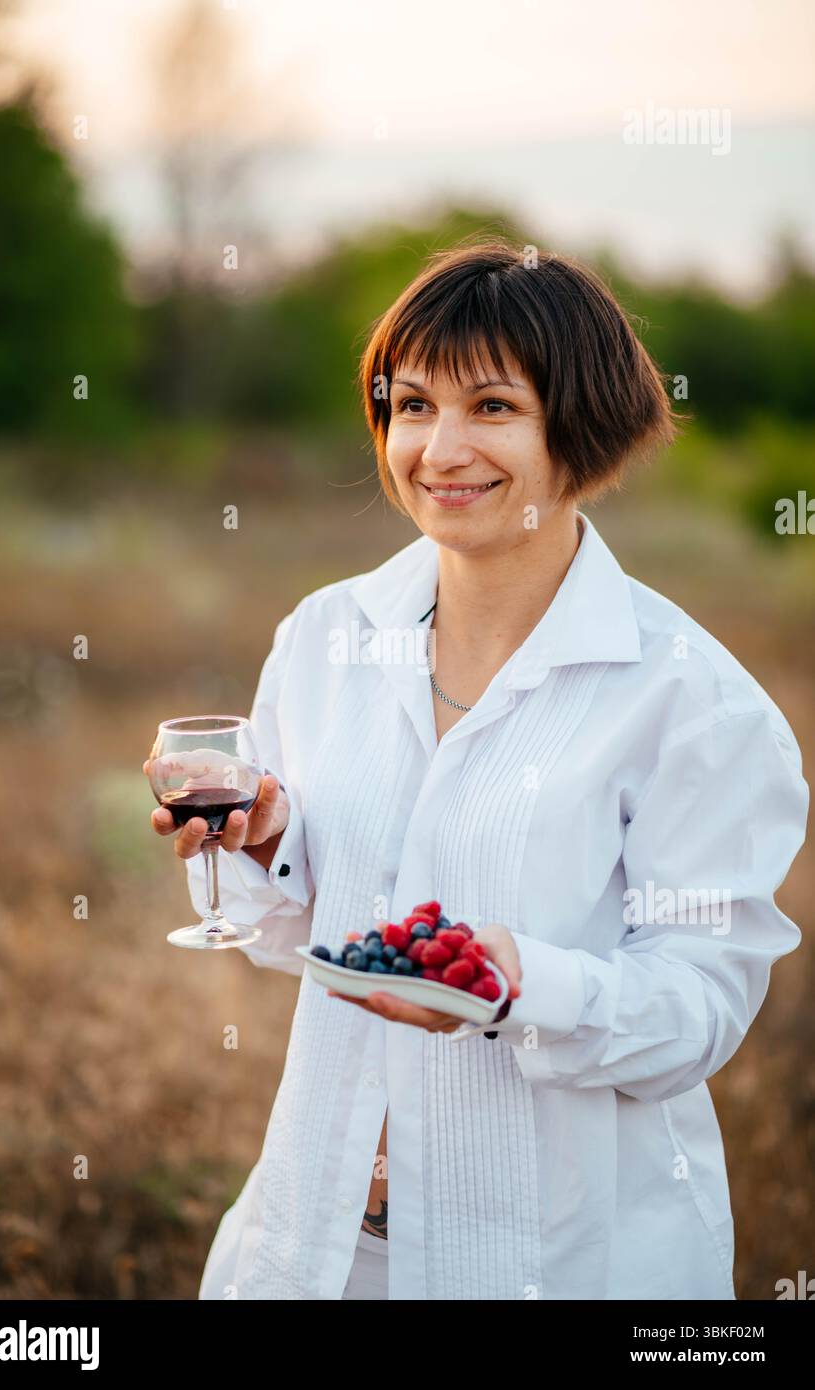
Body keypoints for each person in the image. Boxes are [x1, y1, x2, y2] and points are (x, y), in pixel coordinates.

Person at [150, 240, 809, 1300]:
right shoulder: (325, 638)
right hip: (317, 1246)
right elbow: (292, 941)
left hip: (559, 1265)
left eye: (492, 407)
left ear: (579, 427)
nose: (439, 447)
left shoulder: (693, 700)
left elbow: (698, 1013)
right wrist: (268, 845)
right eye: (411, 405)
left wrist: (516, 986)